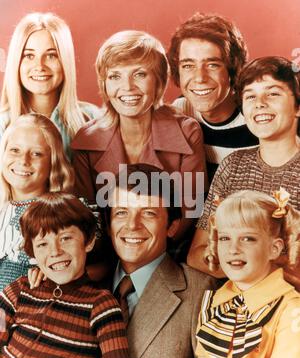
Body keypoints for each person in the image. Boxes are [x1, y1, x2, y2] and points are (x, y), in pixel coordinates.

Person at [84, 163, 216, 358]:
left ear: (172, 226)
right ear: (108, 224)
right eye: (122, 212)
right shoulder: (86, 283)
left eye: (148, 213)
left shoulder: (202, 292)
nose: (132, 225)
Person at [71, 30, 207, 241]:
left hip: (169, 251)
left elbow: (192, 211)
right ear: (105, 85)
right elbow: (87, 217)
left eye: (140, 74)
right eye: (115, 76)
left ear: (159, 82)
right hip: (107, 257)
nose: (127, 87)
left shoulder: (187, 132)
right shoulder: (87, 140)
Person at [0, 192, 139, 358]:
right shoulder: (19, 290)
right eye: (42, 244)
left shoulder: (101, 304)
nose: (55, 251)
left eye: (65, 238)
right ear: (32, 252)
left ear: (88, 241)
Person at [188, 56, 300, 277]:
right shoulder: (234, 165)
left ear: (298, 106)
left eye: (273, 93)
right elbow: (196, 254)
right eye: (250, 96)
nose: (260, 103)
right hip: (233, 299)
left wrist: (240, 264)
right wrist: (248, 268)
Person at [190, 190, 300, 358]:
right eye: (225, 238)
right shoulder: (218, 300)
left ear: (274, 248)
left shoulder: (292, 311)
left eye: (247, 238)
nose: (233, 249)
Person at [167, 13, 258, 184]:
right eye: (188, 66)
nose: (200, 77)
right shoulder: (180, 112)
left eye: (212, 65)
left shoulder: (257, 115)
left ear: (232, 70)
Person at [0, 12, 101, 160]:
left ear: (65, 61)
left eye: (51, 55)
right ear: (17, 63)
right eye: (29, 56)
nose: (39, 66)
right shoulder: (2, 124)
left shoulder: (93, 119)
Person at [0, 113, 74, 292]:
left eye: (36, 153)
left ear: (52, 162)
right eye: (15, 150)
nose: (23, 161)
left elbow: (98, 268)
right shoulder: (3, 209)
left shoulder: (63, 214)